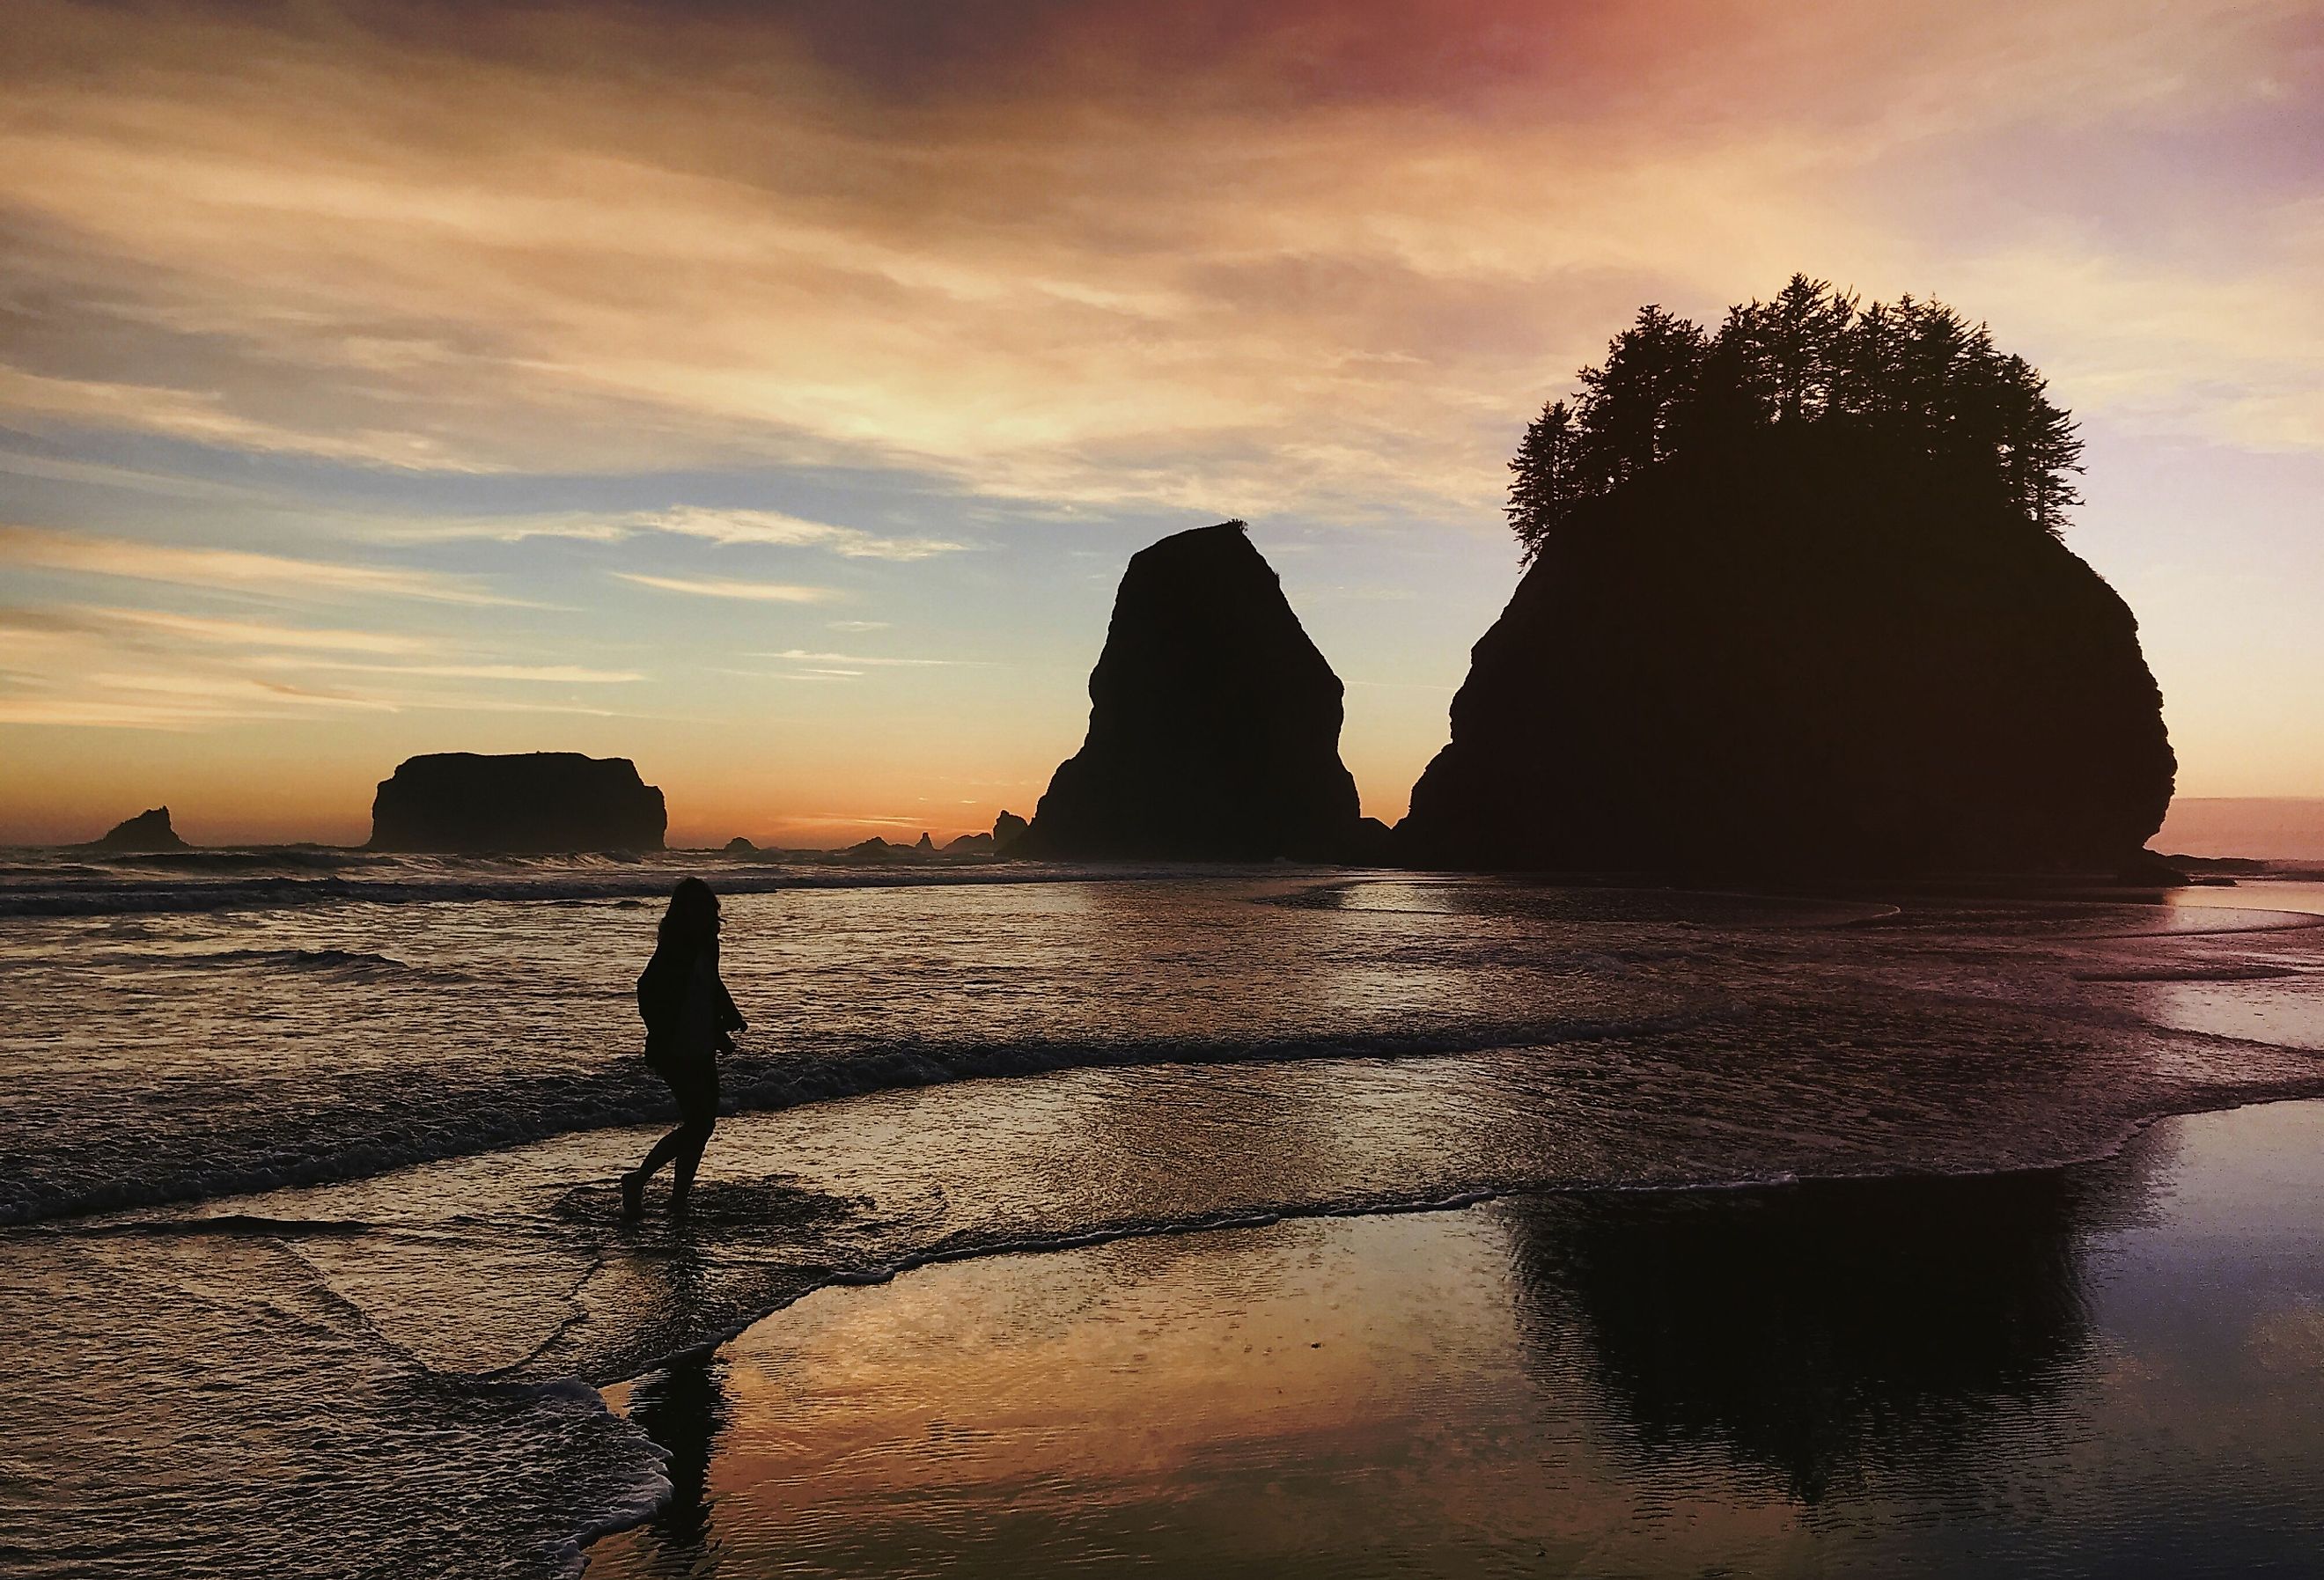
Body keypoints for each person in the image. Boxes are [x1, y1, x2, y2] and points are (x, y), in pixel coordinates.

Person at [622, 877, 746, 1219]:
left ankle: (676, 1199)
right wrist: (661, 1032)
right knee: (699, 1123)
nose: (708, 914)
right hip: (675, 1049)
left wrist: (728, 1018)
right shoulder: (674, 947)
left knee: (702, 1124)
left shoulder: (708, 944)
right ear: (685, 911)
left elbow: (712, 984)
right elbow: (645, 988)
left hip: (701, 1043)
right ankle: (640, 1180)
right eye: (700, 907)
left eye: (709, 907)